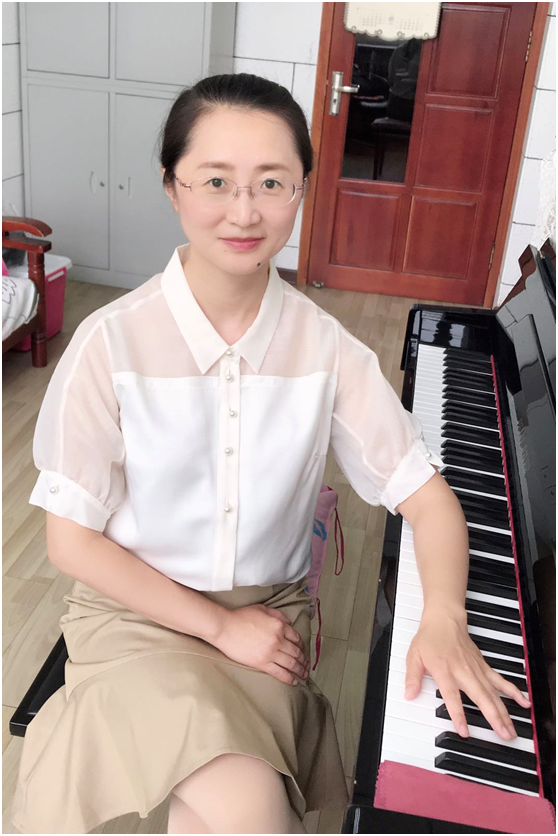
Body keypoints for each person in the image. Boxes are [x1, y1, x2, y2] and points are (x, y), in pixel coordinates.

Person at [10, 73, 531, 835]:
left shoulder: (327, 348)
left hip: (266, 621)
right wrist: (219, 629)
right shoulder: (109, 344)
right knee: (252, 817)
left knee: (225, 809)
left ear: (301, 191)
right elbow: (72, 544)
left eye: (272, 183)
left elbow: (428, 498)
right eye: (216, 181)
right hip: (137, 618)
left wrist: (447, 617)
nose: (245, 211)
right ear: (172, 186)